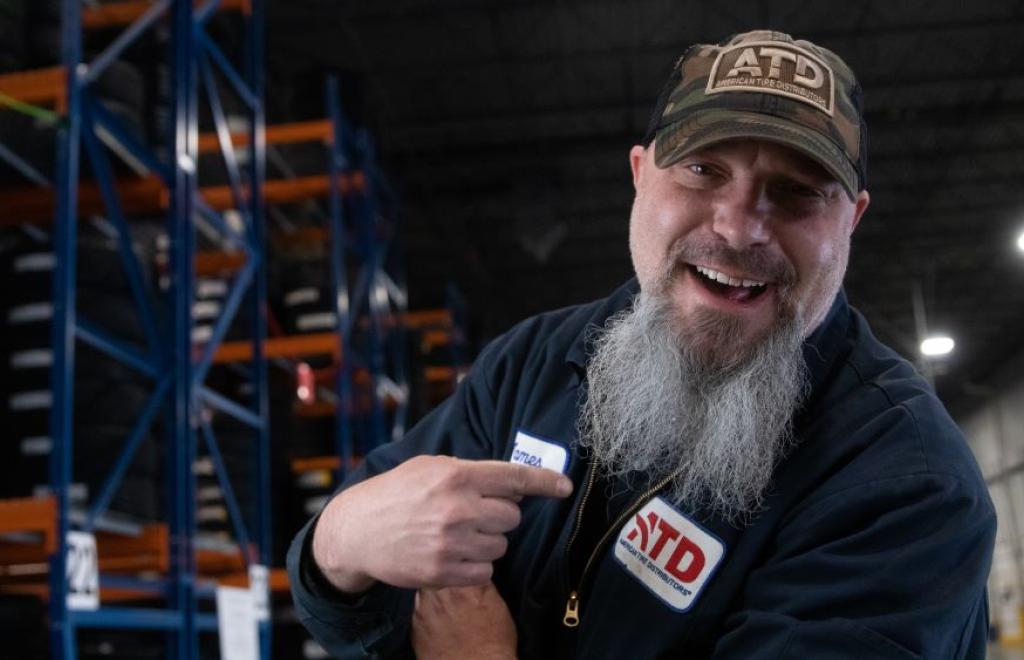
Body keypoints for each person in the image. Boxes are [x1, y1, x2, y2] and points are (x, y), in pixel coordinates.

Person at [288, 29, 996, 659]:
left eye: (795, 192)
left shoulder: (904, 487)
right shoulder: (534, 361)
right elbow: (342, 595)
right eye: (703, 170)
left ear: (852, 221)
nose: (739, 226)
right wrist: (339, 538)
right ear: (638, 174)